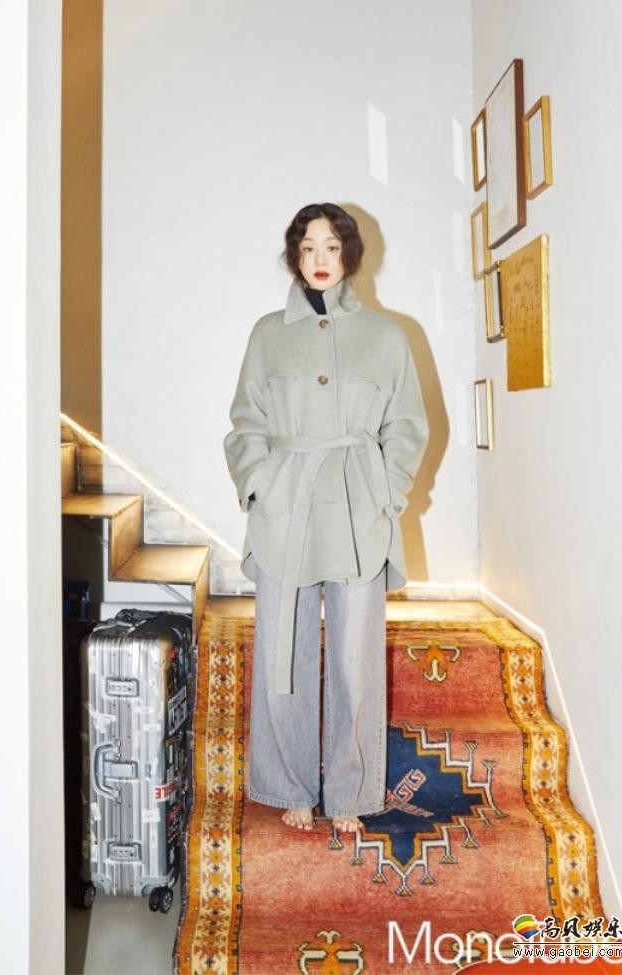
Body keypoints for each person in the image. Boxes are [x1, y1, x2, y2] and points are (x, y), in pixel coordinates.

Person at [223, 203, 429, 833]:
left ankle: (349, 792)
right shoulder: (267, 333)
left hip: (358, 511)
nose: (319, 260)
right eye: (308, 247)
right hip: (284, 510)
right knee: (281, 653)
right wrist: (259, 487)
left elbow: (407, 427)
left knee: (354, 660)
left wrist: (386, 493)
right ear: (294, 254)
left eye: (332, 247)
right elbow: (246, 423)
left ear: (349, 256)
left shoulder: (386, 337)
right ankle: (289, 784)